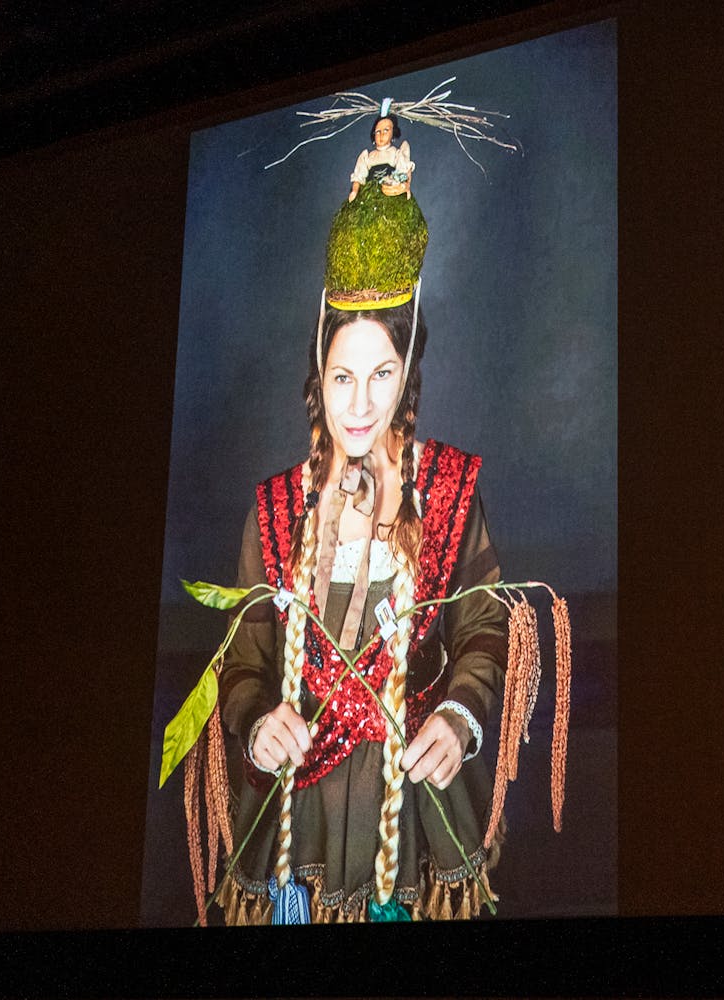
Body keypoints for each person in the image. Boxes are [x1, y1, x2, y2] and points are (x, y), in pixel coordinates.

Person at [217, 299, 507, 922]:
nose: (360, 406)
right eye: (342, 377)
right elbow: (243, 661)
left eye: (382, 374)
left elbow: (484, 626)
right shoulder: (274, 512)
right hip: (306, 809)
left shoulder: (449, 493)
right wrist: (259, 722)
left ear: (408, 374)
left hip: (415, 802)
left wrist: (458, 716)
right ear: (317, 378)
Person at [348, 115, 414, 201]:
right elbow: (359, 176)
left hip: (391, 195)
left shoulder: (395, 153)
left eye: (386, 130)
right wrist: (354, 191)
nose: (381, 134)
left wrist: (405, 186)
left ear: (393, 133)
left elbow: (405, 171)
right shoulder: (368, 157)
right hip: (369, 198)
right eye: (378, 131)